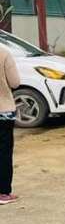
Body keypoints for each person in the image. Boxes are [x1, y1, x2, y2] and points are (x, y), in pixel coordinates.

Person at [0, 40, 21, 204]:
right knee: (4, 152)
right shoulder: (4, 52)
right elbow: (15, 82)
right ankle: (3, 193)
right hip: (3, 110)